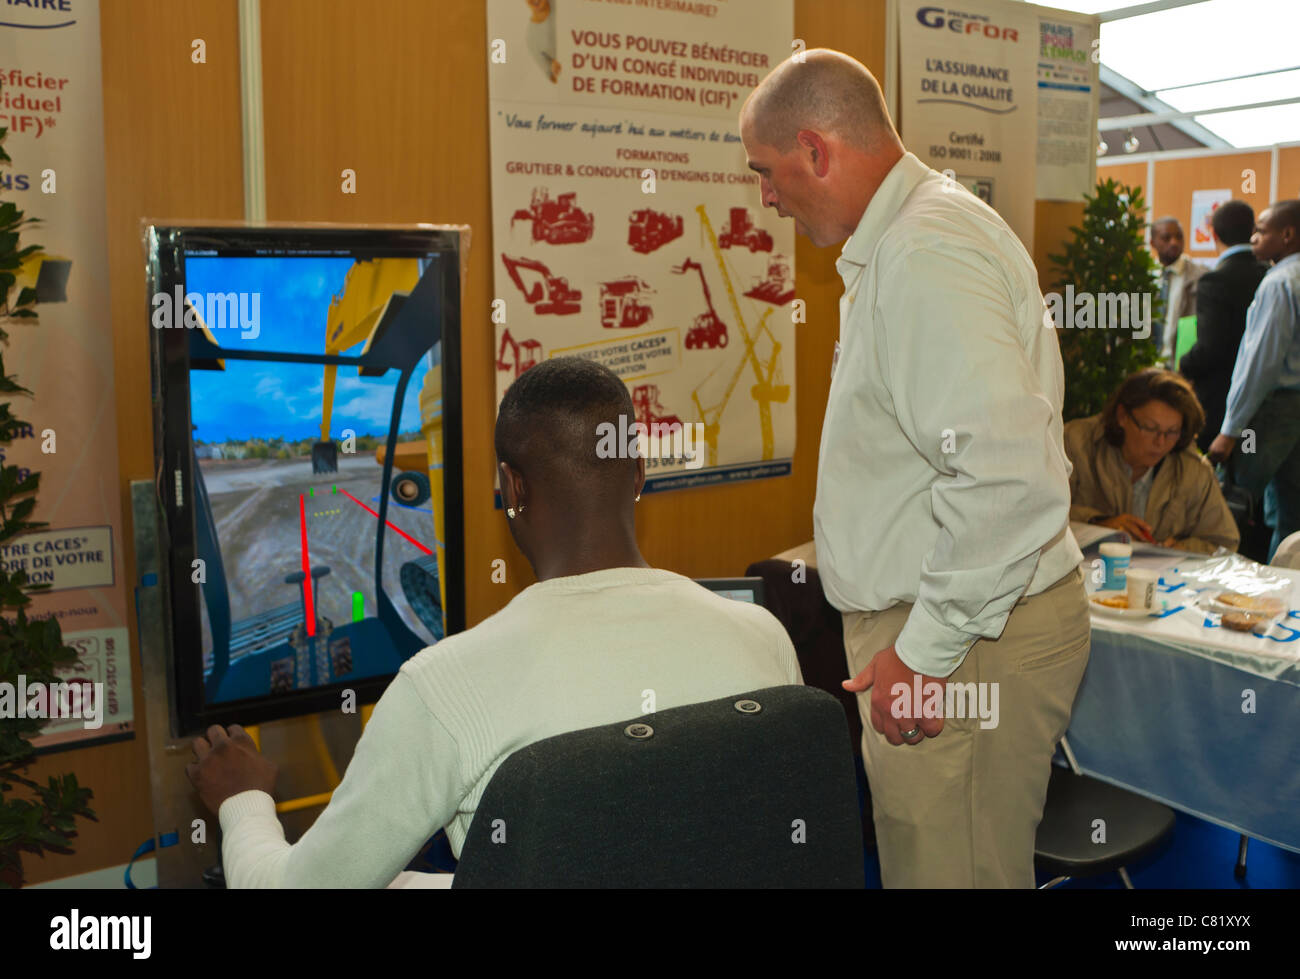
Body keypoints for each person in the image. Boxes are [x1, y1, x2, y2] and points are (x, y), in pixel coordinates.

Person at [186, 357, 802, 887]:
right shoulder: (764, 639)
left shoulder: (444, 688)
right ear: (638, 474)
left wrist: (243, 799)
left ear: (511, 487)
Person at [740, 49, 1088, 888]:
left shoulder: (923, 251)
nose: (766, 196)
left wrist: (922, 653)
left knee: (951, 873)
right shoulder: (907, 239)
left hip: (964, 636)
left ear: (816, 150)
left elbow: (1006, 479)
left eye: (767, 171)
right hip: (958, 625)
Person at [1208, 200, 1300, 560]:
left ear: (1288, 235)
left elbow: (1260, 364)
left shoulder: (1279, 283)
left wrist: (1230, 432)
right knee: (1292, 515)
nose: (1254, 237)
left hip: (1269, 413)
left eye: (1262, 230)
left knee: (1232, 505)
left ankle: (1222, 592)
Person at [1065, 369, 1239, 554]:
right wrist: (1098, 522)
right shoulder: (1075, 443)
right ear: (1122, 416)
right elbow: (1038, 514)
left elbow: (1225, 542)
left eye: (1172, 432)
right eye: (1150, 428)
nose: (1160, 442)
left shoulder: (1193, 469)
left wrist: (1184, 548)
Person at [1179, 200, 1268, 453]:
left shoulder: (1215, 280)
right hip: (1264, 400)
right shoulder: (1269, 274)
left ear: (1213, 234)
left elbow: (1210, 348)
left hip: (1221, 399)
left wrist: (1183, 365)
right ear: (1253, 231)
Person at [1150, 217, 1205, 363]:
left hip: (1180, 364)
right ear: (1152, 243)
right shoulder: (1145, 277)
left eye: (1179, 237)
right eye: (1166, 238)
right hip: (1148, 364)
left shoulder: (1199, 277)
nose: (1174, 242)